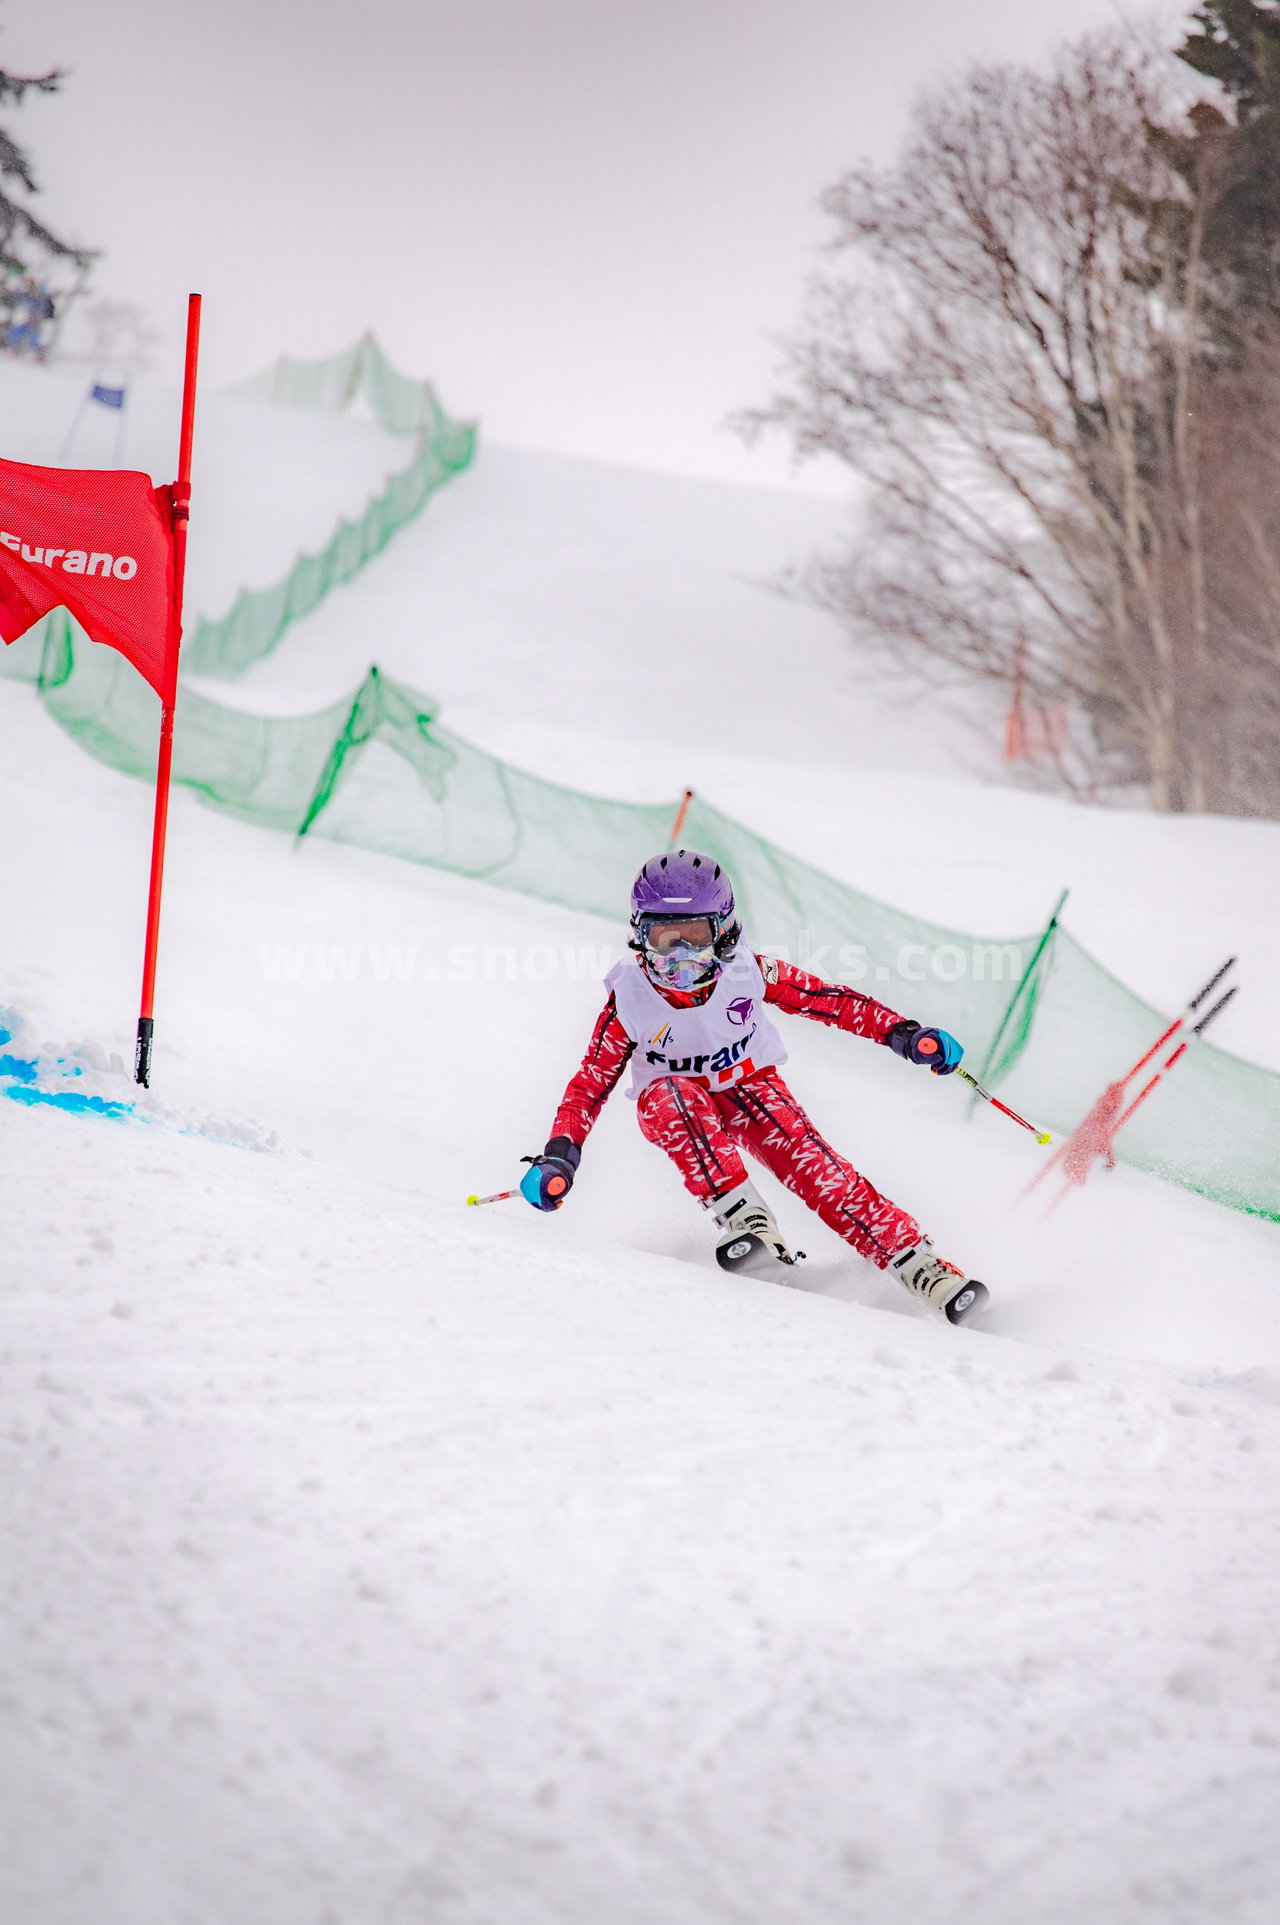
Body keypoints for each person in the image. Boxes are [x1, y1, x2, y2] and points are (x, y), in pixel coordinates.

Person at [518, 849, 989, 1323]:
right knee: (671, 1096)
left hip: (750, 1089)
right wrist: (561, 1152)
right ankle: (748, 1221)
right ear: (641, 935)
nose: (679, 956)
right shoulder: (630, 999)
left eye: (695, 936)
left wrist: (902, 1034)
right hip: (676, 1102)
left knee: (820, 1172)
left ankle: (924, 1268)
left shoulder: (748, 972)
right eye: (665, 938)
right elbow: (590, 1083)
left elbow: (830, 1001)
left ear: (723, 931)